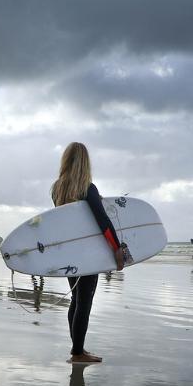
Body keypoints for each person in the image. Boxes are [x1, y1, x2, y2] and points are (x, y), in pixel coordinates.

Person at [51, 142, 125, 364]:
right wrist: (117, 248)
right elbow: (102, 221)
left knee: (76, 298)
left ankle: (77, 348)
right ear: (86, 162)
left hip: (68, 253)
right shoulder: (87, 188)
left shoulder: (57, 188)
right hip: (88, 255)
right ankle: (77, 352)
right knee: (85, 302)